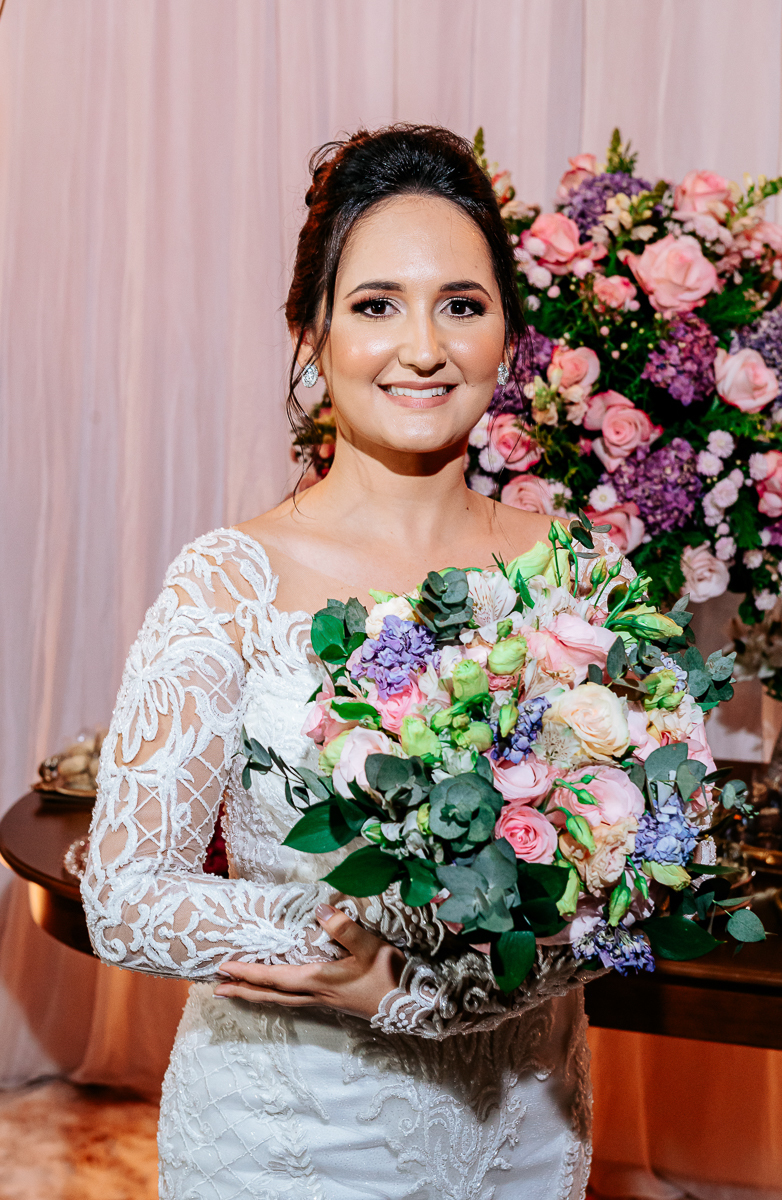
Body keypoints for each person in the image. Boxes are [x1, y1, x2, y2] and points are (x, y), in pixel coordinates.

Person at [83, 124, 608, 1199]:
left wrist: (437, 987)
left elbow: (624, 886)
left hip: (525, 1124)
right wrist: (357, 948)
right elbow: (127, 893)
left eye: (462, 303)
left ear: (507, 330)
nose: (424, 347)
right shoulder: (230, 582)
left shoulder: (576, 574)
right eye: (376, 305)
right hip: (297, 1141)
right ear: (312, 330)